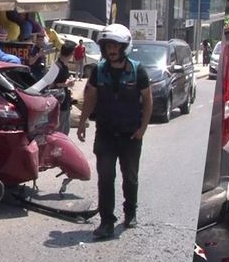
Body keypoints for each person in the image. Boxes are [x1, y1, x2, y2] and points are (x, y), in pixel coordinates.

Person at [77, 23, 153, 239]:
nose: (111, 50)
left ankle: (130, 212)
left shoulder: (138, 71)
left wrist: (143, 128)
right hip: (106, 134)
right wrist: (82, 121)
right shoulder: (99, 71)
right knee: (105, 177)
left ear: (124, 47)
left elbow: (147, 101)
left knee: (130, 177)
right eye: (108, 46)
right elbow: (90, 96)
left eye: (115, 46)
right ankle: (106, 222)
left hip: (131, 135)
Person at [51, 42, 76, 135]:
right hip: (59, 104)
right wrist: (66, 84)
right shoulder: (57, 66)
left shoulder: (64, 66)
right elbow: (50, 85)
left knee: (65, 131)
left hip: (65, 102)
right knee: (59, 132)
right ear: (70, 53)